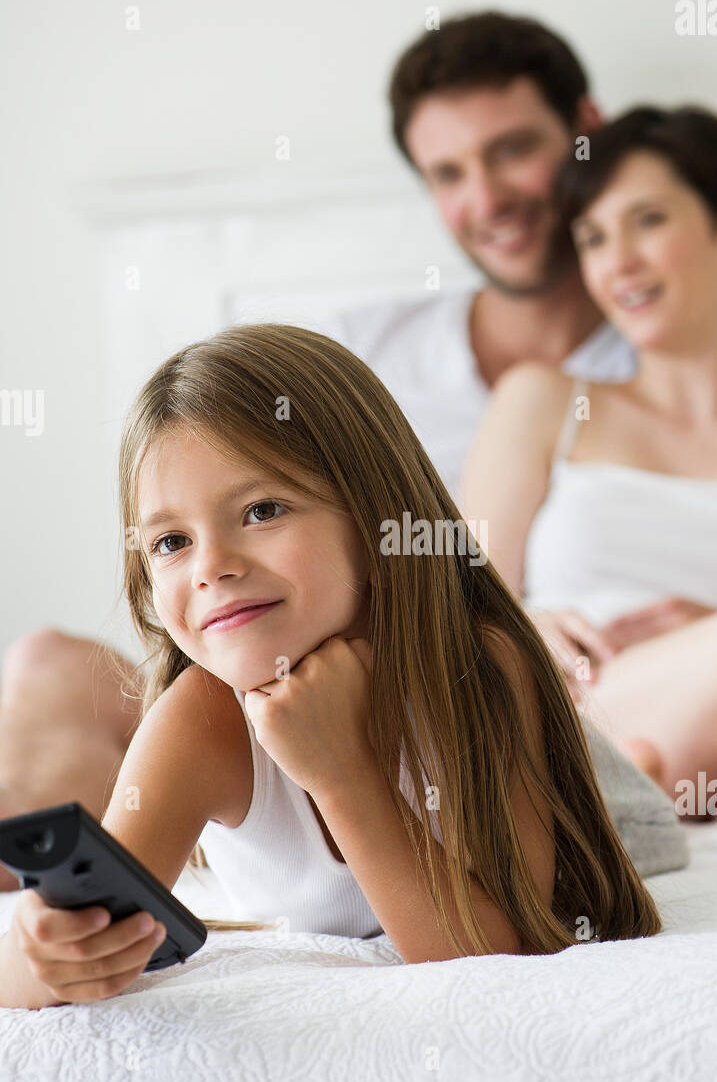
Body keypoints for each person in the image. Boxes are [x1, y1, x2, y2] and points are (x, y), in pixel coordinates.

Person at [0, 9, 717, 881]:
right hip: (271, 671)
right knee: (48, 667)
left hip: (470, 722)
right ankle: (63, 905)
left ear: (587, 137)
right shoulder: (347, 355)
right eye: (448, 173)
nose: (486, 199)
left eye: (512, 150)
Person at [0, 324, 662, 1008]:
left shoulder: (480, 663)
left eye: (262, 510)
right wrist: (38, 955)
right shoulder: (199, 723)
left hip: (618, 805)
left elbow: (492, 955)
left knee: (646, 796)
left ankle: (649, 760)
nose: (211, 567)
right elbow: (41, 965)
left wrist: (341, 772)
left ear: (376, 520)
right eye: (171, 541)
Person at [461, 105, 717, 839]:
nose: (617, 263)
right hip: (583, 709)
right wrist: (525, 621)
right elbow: (455, 599)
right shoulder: (543, 400)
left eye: (646, 221)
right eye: (592, 239)